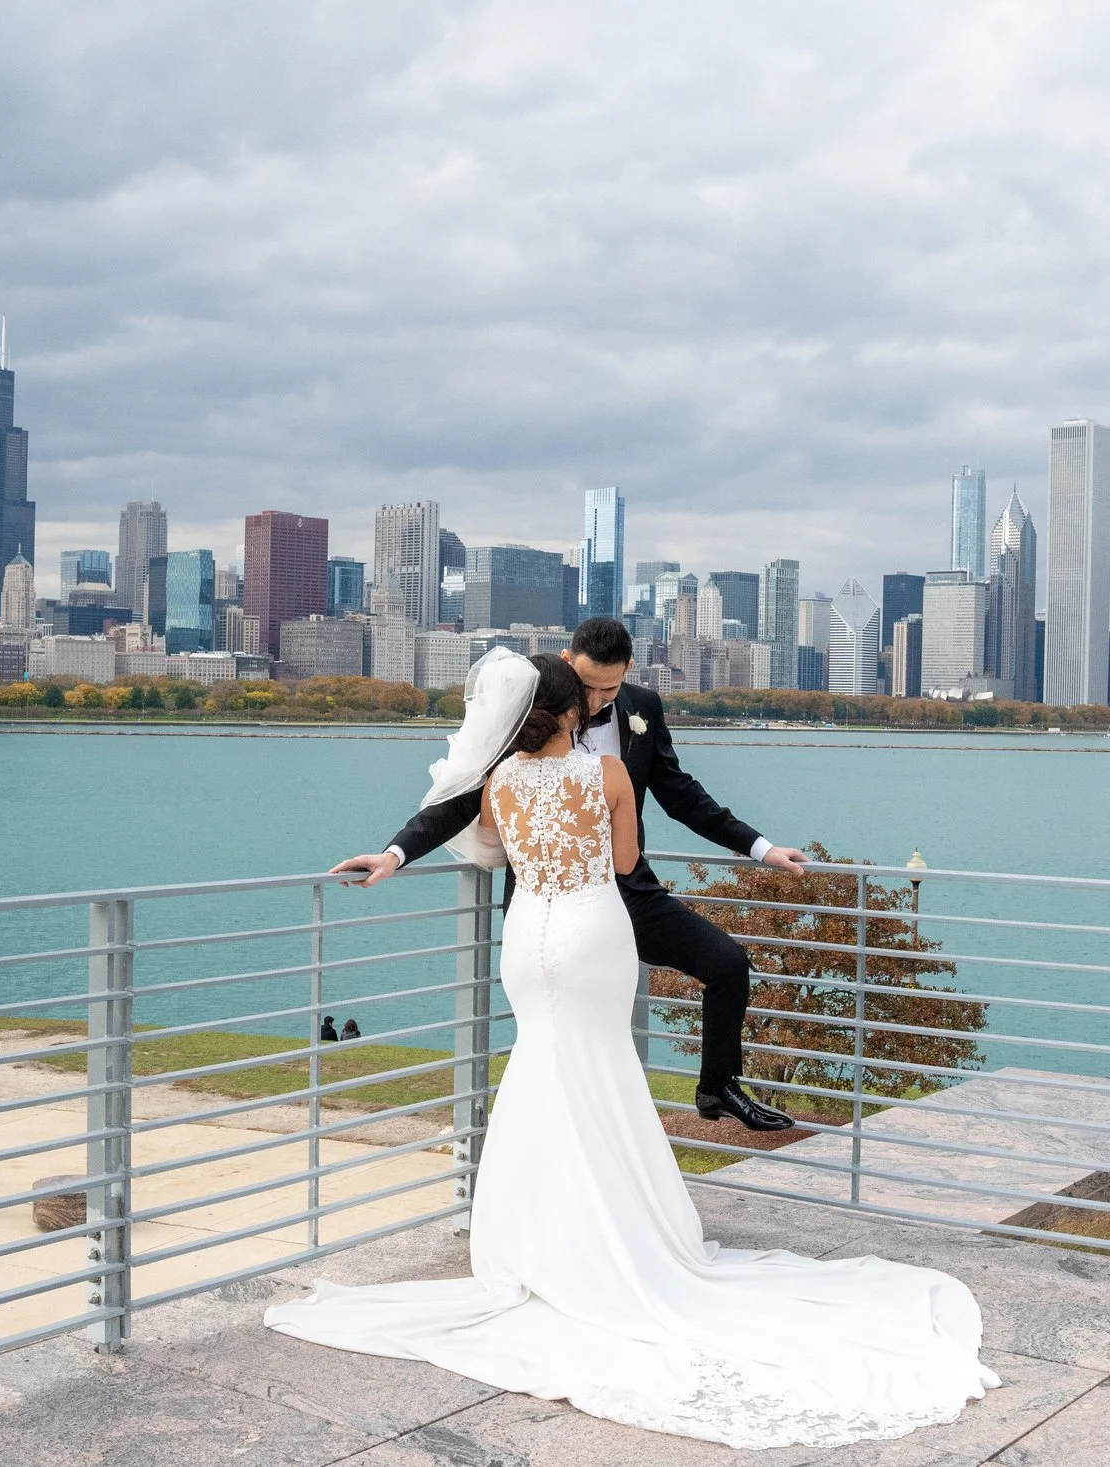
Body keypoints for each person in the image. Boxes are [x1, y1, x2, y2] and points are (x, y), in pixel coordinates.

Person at [270, 653, 996, 1447]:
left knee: (541, 1071)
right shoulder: (608, 772)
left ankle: (532, 1242)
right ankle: (618, 1234)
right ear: (570, 704)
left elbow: (471, 825)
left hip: (527, 941)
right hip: (591, 932)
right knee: (603, 1070)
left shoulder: (499, 781)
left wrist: (391, 859)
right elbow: (621, 864)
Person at [334, 617, 803, 1131]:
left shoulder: (643, 708)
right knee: (562, 1038)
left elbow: (681, 795)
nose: (600, 700)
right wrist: (394, 854)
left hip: (628, 894)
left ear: (628, 672)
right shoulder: (525, 713)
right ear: (564, 664)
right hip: (549, 911)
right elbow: (462, 800)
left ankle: (718, 1086)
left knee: (728, 964)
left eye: (613, 687)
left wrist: (760, 847)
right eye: (589, 687)